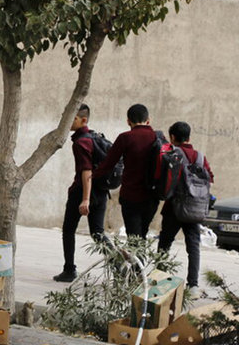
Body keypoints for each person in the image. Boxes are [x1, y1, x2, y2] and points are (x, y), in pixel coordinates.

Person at [156, 121, 214, 293]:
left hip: (174, 208)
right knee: (193, 246)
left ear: (173, 137)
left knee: (164, 245)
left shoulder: (174, 154)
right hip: (195, 209)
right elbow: (209, 178)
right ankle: (193, 285)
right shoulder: (200, 157)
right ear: (189, 137)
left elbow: (167, 179)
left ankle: (159, 281)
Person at [55, 104, 109, 282]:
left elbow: (86, 171)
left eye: (73, 117)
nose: (68, 120)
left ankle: (69, 270)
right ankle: (120, 266)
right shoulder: (94, 137)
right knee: (98, 234)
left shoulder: (81, 142)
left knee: (68, 230)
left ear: (83, 120)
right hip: (101, 192)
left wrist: (85, 199)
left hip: (82, 192)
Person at [94, 103, 161, 237]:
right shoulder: (158, 137)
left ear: (128, 121)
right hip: (152, 196)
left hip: (131, 195)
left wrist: (93, 176)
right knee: (142, 234)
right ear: (148, 120)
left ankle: (136, 258)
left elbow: (109, 163)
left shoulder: (125, 138)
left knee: (133, 236)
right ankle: (141, 257)